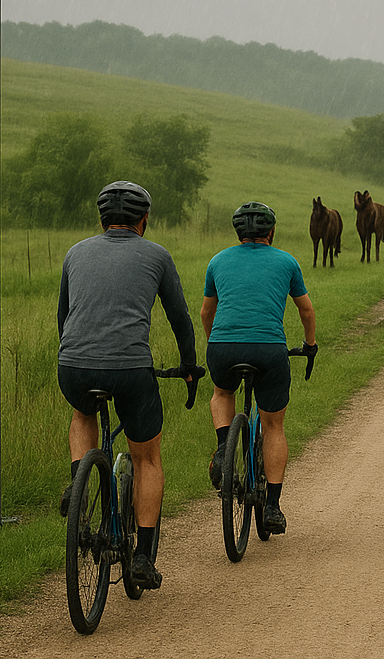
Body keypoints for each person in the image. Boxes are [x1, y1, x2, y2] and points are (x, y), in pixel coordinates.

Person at [57, 180, 198, 590]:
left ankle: (79, 489)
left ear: (102, 218)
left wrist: (78, 357)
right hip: (132, 370)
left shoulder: (75, 252)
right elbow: (179, 317)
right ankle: (142, 558)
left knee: (82, 412)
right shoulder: (157, 255)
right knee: (147, 458)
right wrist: (189, 366)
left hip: (74, 366)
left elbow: (64, 317)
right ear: (144, 219)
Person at [201, 201, 317, 535]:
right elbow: (306, 311)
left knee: (222, 392)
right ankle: (273, 507)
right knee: (274, 425)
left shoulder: (218, 261)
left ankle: (223, 448)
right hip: (268, 348)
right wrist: (310, 345)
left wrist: (215, 343)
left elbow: (207, 312)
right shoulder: (287, 261)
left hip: (223, 347)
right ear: (272, 231)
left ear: (238, 231)